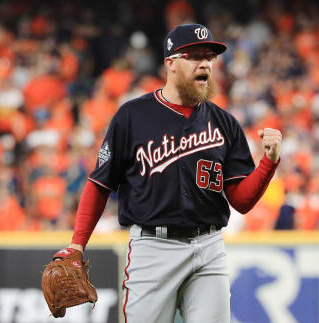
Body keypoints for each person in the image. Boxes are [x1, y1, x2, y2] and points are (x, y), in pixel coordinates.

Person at [61, 23, 281, 323]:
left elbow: (241, 200)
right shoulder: (133, 116)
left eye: (209, 57)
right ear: (171, 64)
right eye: (194, 56)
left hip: (209, 247)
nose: (205, 63)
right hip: (153, 247)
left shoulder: (225, 123)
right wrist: (77, 244)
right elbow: (100, 184)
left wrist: (268, 162)